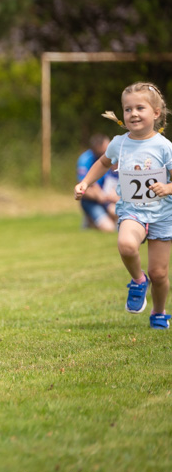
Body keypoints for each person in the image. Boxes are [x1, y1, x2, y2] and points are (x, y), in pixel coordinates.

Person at [75, 82, 172, 329]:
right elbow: (103, 163)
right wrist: (85, 182)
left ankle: (159, 312)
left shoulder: (164, 147)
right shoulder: (119, 143)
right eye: (128, 109)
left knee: (159, 274)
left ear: (156, 113)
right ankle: (138, 281)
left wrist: (168, 188)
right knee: (127, 245)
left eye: (140, 108)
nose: (134, 113)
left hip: (162, 215)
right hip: (132, 211)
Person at [76, 133, 118, 232]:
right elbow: (84, 187)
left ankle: (96, 220)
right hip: (93, 200)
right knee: (108, 228)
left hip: (108, 199)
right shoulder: (85, 159)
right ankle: (90, 220)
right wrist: (99, 196)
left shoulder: (113, 158)